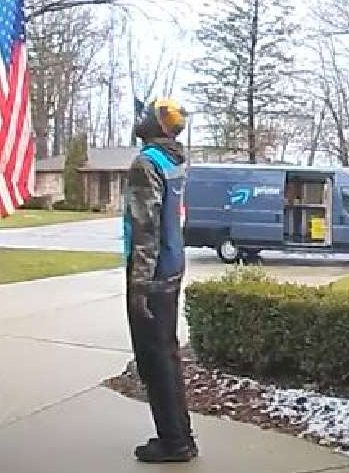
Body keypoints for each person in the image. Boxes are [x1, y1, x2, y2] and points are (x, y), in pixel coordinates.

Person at [124, 98, 196, 463]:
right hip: (171, 268)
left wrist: (138, 287)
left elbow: (145, 230)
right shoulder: (175, 162)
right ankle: (181, 434)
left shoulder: (147, 163)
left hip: (151, 276)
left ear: (157, 126)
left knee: (155, 359)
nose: (140, 120)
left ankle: (174, 443)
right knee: (167, 353)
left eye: (146, 115)